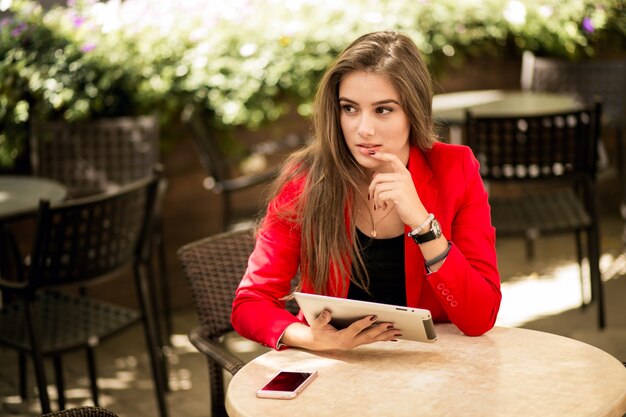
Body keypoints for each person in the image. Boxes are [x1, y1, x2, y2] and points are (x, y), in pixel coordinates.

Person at [231, 30, 501, 351]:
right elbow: (250, 301)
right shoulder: (306, 179)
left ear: (413, 112)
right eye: (350, 108)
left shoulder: (455, 169)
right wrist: (310, 338)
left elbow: (480, 317)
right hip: (338, 369)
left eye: (383, 110)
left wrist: (422, 224)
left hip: (430, 370)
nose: (364, 129)